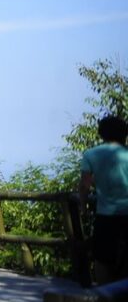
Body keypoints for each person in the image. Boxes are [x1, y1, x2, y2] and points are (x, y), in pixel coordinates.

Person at [80, 115, 128, 284]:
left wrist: (83, 207)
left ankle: (104, 293)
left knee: (101, 259)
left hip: (105, 215)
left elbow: (85, 185)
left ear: (101, 134)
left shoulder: (91, 154)